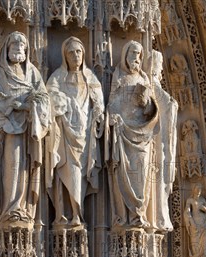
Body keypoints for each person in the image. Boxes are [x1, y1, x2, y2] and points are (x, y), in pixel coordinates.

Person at [0, 31, 50, 224]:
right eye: (14, 44)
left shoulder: (32, 71)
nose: (18, 48)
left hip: (28, 127)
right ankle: (10, 208)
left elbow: (43, 97)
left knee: (26, 166)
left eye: (21, 45)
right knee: (12, 165)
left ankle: (23, 207)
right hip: (8, 127)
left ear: (26, 50)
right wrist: (11, 106)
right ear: (7, 48)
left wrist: (28, 106)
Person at [46, 36, 104, 226]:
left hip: (85, 134)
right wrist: (62, 104)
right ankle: (65, 214)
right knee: (65, 172)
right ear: (64, 55)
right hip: (63, 132)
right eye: (71, 52)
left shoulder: (90, 79)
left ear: (84, 54)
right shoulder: (57, 77)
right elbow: (49, 99)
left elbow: (99, 104)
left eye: (78, 51)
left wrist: (98, 113)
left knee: (80, 174)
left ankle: (78, 214)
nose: (75, 55)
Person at [105, 40, 159, 230]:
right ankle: (123, 216)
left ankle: (139, 215)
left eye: (138, 54)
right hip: (122, 134)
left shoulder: (144, 79)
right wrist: (114, 119)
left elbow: (152, 110)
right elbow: (112, 105)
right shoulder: (118, 79)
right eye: (132, 53)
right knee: (121, 173)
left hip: (142, 137)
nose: (135, 57)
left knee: (141, 176)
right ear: (125, 55)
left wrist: (147, 104)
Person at [148, 49, 178, 232]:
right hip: (153, 145)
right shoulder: (150, 86)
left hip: (161, 145)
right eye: (158, 66)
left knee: (161, 180)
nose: (160, 70)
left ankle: (157, 215)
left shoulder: (155, 88)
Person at [184, 184, 206, 257]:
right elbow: (187, 212)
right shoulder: (190, 200)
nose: (199, 190)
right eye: (197, 189)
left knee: (204, 241)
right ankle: (195, 256)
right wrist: (192, 222)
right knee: (195, 241)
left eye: (200, 189)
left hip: (204, 223)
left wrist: (205, 209)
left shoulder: (202, 199)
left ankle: (204, 255)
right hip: (195, 224)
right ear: (194, 189)